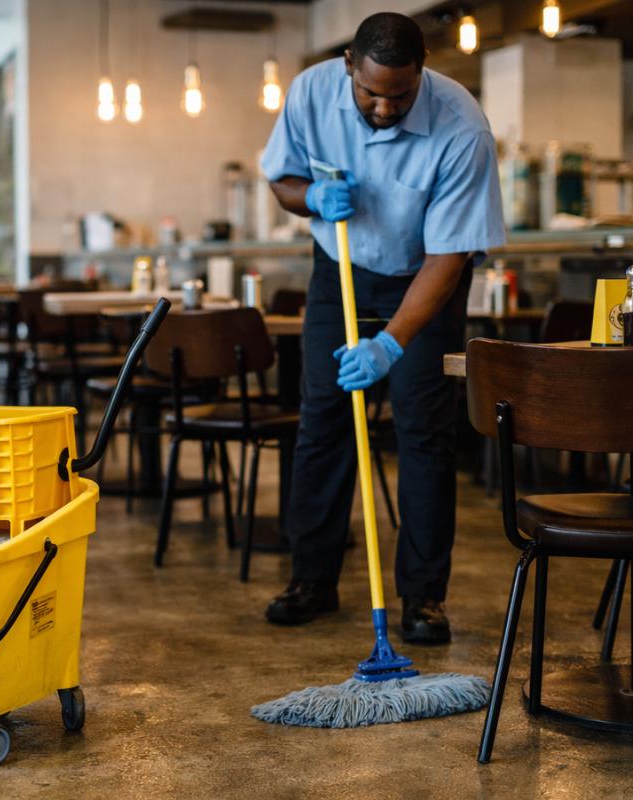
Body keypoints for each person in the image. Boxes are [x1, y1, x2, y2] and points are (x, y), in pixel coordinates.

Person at [260, 12, 505, 643]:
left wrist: (391, 343)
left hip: (425, 278)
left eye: (400, 94)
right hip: (338, 264)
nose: (385, 106)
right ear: (349, 65)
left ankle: (423, 598)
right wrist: (311, 197)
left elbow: (450, 256)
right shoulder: (311, 92)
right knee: (324, 420)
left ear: (423, 72)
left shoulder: (461, 127)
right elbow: (281, 180)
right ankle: (311, 579)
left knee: (424, 431)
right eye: (371, 92)